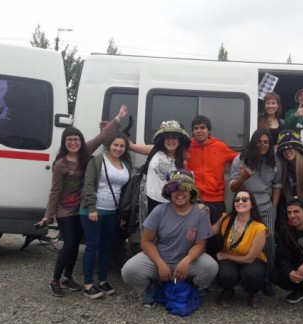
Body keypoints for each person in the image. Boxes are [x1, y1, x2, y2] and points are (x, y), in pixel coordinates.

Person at [40, 105, 128, 297]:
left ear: (80, 141)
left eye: (76, 139)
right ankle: (54, 280)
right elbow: (55, 191)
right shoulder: (61, 163)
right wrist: (48, 216)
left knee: (76, 244)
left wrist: (118, 118)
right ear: (64, 143)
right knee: (70, 243)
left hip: (83, 206)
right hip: (65, 209)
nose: (73, 143)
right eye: (69, 140)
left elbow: (103, 137)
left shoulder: (86, 152)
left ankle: (67, 277)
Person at [121, 169, 219, 307]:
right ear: (169, 192)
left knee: (211, 268)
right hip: (160, 258)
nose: (179, 193)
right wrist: (160, 264)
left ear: (191, 192)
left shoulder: (200, 213)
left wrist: (186, 261)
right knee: (129, 271)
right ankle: (152, 285)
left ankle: (189, 284)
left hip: (186, 260)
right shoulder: (159, 211)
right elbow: (146, 242)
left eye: (184, 189)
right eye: (175, 189)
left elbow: (200, 245)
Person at [230, 128, 282, 296]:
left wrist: (273, 205)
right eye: (259, 142)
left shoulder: (275, 161)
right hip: (246, 205)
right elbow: (232, 187)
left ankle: (267, 279)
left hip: (266, 206)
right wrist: (243, 178)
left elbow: (277, 185)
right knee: (243, 239)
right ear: (254, 142)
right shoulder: (241, 159)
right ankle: (241, 276)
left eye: (266, 142)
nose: (262, 145)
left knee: (269, 239)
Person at [79, 133, 132, 299]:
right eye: (115, 145)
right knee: (92, 246)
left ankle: (102, 280)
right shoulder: (97, 161)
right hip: (93, 210)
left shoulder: (125, 165)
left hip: (112, 212)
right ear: (109, 145)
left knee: (107, 246)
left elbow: (125, 191)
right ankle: (88, 284)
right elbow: (88, 184)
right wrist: (92, 208)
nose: (118, 148)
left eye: (122, 146)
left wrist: (122, 213)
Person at [187, 115, 238, 258]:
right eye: (196, 128)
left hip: (216, 199)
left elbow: (238, 157)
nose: (199, 131)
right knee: (192, 236)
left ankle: (215, 268)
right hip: (193, 199)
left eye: (202, 128)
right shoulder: (187, 146)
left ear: (209, 131)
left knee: (216, 238)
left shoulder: (220, 146)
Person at [211, 190, 267, 308]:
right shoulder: (225, 218)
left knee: (252, 274)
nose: (240, 202)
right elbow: (209, 232)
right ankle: (228, 290)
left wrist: (225, 256)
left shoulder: (259, 228)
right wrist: (204, 213)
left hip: (252, 260)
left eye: (245, 199)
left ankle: (254, 292)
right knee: (225, 275)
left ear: (252, 204)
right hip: (231, 259)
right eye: (237, 199)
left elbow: (249, 258)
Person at [139, 120, 190, 228]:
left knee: (166, 231)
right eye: (168, 138)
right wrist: (112, 127)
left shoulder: (183, 159)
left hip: (170, 202)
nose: (171, 141)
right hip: (149, 199)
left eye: (174, 138)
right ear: (162, 140)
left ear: (179, 141)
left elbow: (183, 183)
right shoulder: (153, 151)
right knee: (149, 231)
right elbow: (128, 145)